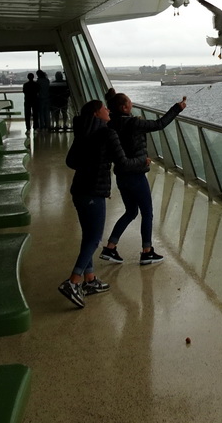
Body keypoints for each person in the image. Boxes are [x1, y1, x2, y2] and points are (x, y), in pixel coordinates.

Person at [99, 93, 186, 266]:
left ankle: (110, 247)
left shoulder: (111, 123)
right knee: (147, 212)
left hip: (122, 175)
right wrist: (177, 108)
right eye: (129, 103)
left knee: (131, 212)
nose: (132, 105)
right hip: (136, 175)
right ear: (124, 107)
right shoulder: (134, 123)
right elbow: (159, 124)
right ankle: (147, 252)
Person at [57, 100, 129, 308]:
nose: (108, 110)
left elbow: (71, 162)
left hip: (79, 190)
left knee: (88, 236)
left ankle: (90, 280)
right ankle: (73, 282)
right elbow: (122, 162)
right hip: (93, 192)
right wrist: (142, 163)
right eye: (104, 108)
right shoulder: (107, 134)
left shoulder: (83, 132)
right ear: (97, 114)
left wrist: (88, 163)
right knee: (95, 237)